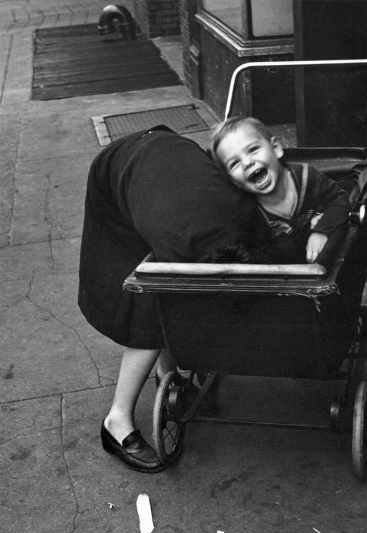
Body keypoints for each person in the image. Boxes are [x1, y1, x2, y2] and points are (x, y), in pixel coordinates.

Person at [78, 126, 256, 473]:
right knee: (148, 304)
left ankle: (167, 378)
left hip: (169, 162)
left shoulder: (240, 214)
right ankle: (116, 423)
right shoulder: (174, 237)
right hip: (117, 172)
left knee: (167, 300)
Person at [210, 117, 351, 265]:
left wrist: (321, 231)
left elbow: (340, 199)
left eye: (253, 150)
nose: (247, 163)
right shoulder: (249, 211)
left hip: (326, 260)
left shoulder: (306, 176)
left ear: (276, 148)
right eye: (234, 163)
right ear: (233, 181)